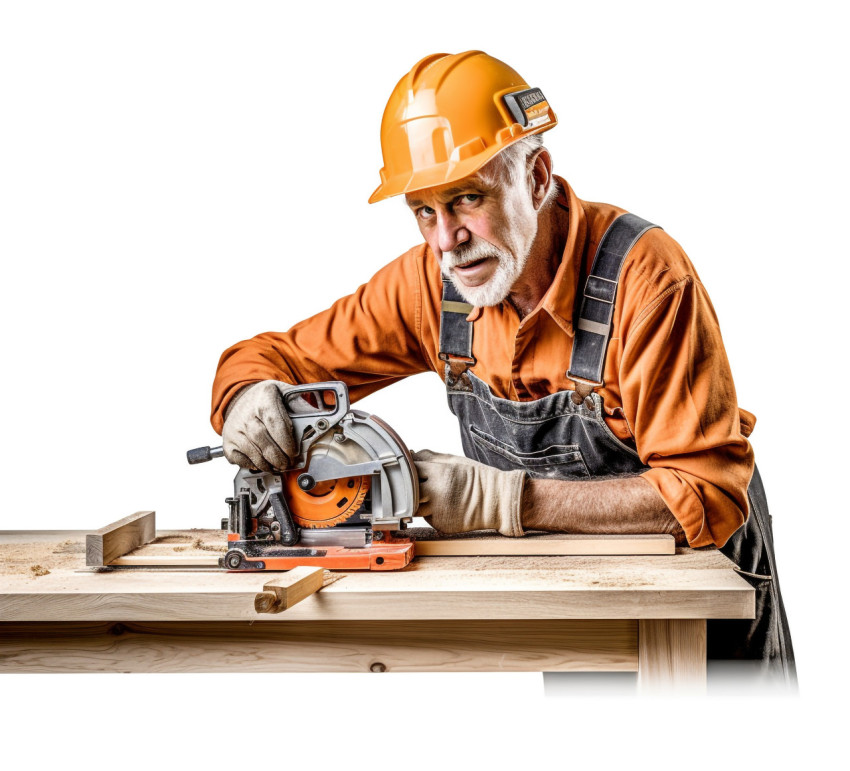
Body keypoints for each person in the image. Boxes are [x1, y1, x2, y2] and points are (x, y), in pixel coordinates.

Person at [210, 51, 795, 683]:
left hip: (702, 612)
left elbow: (705, 494)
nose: (446, 240)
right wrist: (245, 396)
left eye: (467, 199)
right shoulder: (429, 288)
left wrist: (501, 498)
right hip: (577, 604)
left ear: (537, 176)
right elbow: (276, 357)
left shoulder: (645, 279)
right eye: (424, 211)